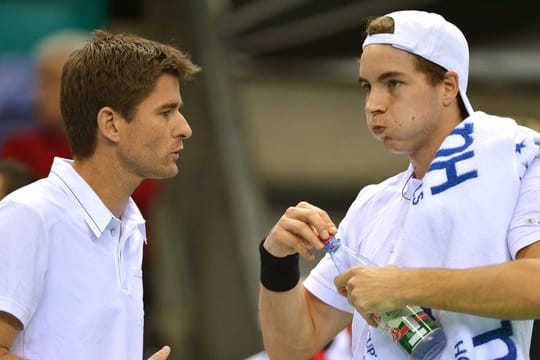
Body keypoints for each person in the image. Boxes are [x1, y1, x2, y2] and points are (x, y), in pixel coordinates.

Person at [258, 10, 540, 359]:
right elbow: (291, 348)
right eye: (367, 86)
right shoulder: (372, 203)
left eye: (393, 83)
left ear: (448, 86)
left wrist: (402, 286)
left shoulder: (520, 155)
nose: (373, 105)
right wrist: (276, 261)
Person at [0, 29, 200, 359]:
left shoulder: (130, 229)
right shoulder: (30, 215)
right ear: (110, 124)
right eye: (166, 112)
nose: (184, 128)